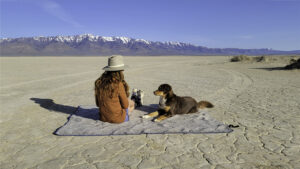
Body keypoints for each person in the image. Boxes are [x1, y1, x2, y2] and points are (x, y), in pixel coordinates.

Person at [94, 55, 135, 123]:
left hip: (103, 118)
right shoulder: (118, 84)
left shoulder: (98, 82)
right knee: (132, 104)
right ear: (120, 71)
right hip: (118, 119)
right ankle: (135, 102)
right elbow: (125, 105)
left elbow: (98, 104)